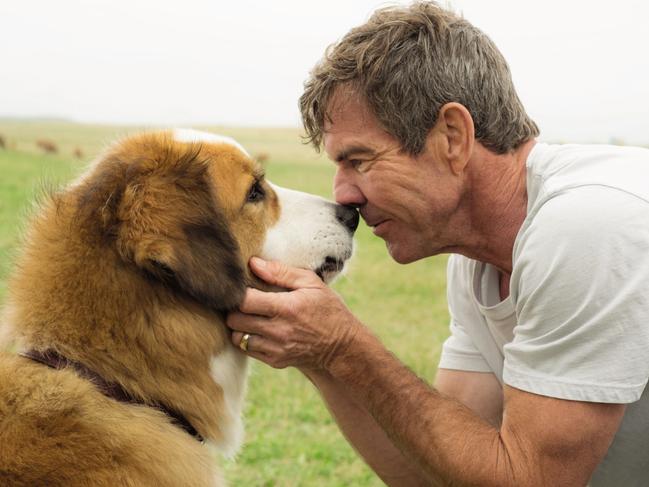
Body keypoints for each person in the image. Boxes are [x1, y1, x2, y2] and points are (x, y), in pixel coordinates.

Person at [227, 2, 649, 485]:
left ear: (452, 136)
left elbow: (529, 480)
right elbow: (439, 474)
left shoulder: (587, 224)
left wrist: (344, 347)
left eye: (360, 160)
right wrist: (319, 356)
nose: (342, 194)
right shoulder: (478, 262)